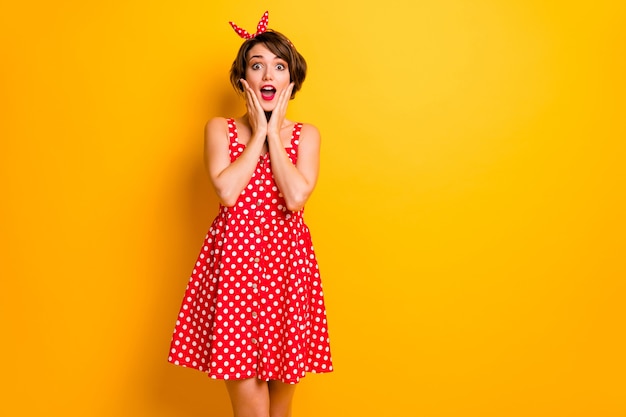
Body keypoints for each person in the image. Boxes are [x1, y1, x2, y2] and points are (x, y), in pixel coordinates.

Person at [168, 11, 333, 417]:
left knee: (281, 402)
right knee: (250, 404)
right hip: (235, 273)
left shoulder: (305, 135)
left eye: (278, 66)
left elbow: (296, 197)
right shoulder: (219, 129)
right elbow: (226, 190)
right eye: (257, 65)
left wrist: (275, 134)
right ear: (244, 79)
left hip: (288, 273)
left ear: (291, 80)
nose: (267, 74)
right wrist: (258, 132)